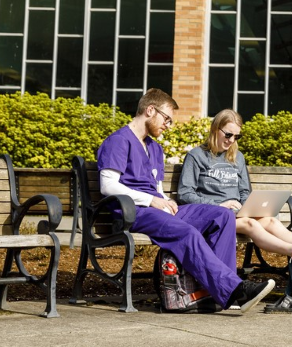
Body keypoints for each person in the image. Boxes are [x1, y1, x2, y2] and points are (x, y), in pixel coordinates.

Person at [97, 88, 274, 313]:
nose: (168, 125)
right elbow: (108, 186)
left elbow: (156, 188)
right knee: (186, 232)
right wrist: (152, 200)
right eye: (167, 119)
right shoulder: (119, 141)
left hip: (155, 208)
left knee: (222, 216)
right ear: (150, 110)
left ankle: (219, 292)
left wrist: (164, 200)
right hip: (132, 211)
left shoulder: (154, 148)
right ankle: (235, 291)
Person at [177, 108, 292, 313]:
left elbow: (244, 191)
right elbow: (185, 193)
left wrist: (248, 206)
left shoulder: (237, 157)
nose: (231, 140)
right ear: (216, 129)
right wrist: (219, 206)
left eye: (236, 136)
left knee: (270, 221)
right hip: (215, 218)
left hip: (238, 213)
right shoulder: (197, 156)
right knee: (251, 224)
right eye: (228, 134)